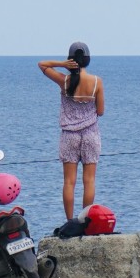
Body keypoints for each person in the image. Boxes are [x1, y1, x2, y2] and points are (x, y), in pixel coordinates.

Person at [38, 43, 105, 220]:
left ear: (71, 60)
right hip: (91, 135)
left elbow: (42, 64)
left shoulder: (64, 81)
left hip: (69, 136)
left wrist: (62, 64)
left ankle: (69, 221)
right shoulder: (97, 82)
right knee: (89, 181)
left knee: (69, 182)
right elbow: (100, 111)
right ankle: (84, 220)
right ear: (88, 60)